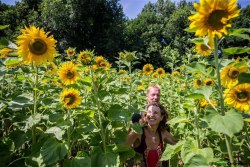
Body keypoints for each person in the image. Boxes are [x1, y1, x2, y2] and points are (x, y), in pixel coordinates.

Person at [126, 102, 176, 167]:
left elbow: (177, 145)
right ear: (145, 115)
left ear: (161, 117)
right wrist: (136, 126)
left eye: (155, 113)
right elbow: (124, 147)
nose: (151, 115)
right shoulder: (138, 132)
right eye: (149, 112)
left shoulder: (163, 133)